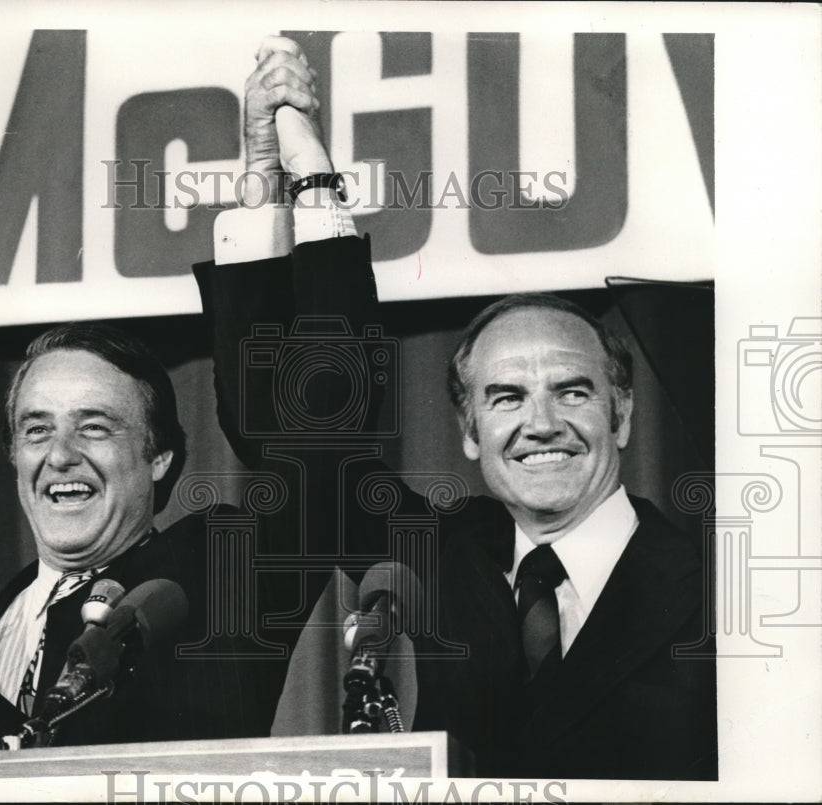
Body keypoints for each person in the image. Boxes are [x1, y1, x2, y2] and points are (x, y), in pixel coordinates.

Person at [194, 36, 716, 779]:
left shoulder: (721, 583)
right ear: (470, 432)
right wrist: (290, 184)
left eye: (572, 390)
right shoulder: (429, 556)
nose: (541, 423)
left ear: (623, 413)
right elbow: (301, 439)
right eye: (505, 397)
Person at [0, 323, 276, 752]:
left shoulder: (217, 572)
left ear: (158, 456)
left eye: (93, 427)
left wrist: (251, 257)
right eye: (37, 430)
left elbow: (313, 454)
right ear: (14, 454)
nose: (60, 455)